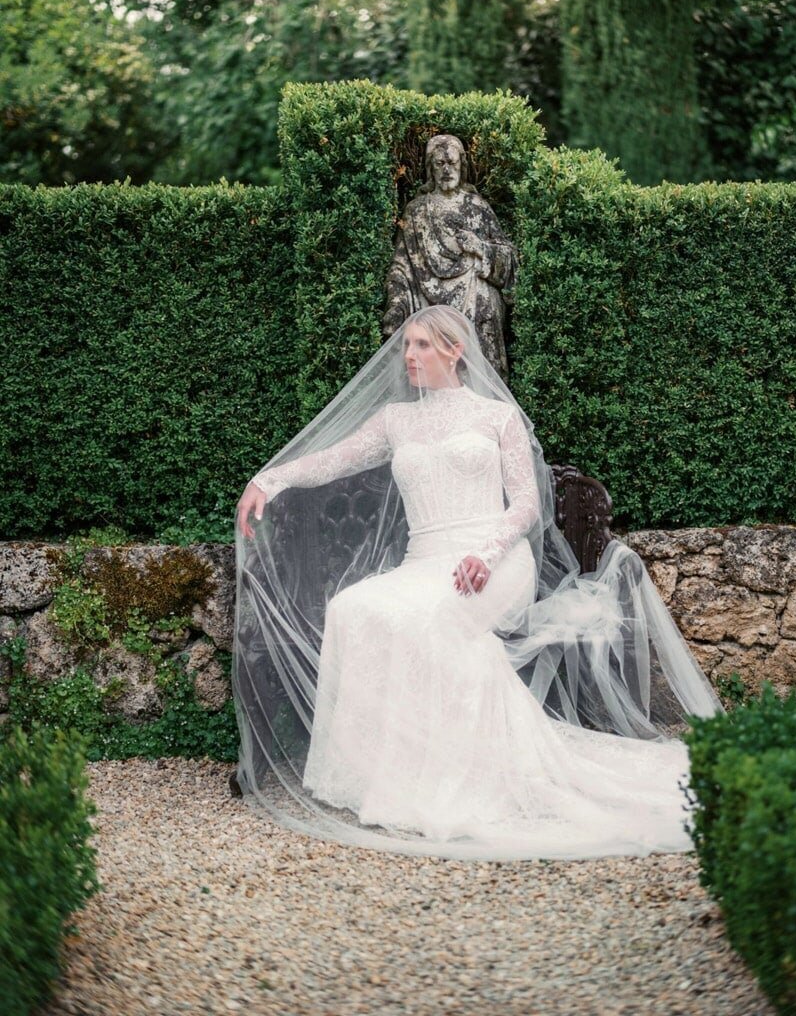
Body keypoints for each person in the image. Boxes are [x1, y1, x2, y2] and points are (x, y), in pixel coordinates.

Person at [234, 306, 723, 861]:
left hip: (495, 559)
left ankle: (475, 773)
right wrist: (266, 481)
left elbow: (526, 505)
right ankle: (389, 775)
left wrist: (486, 553)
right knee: (354, 607)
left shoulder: (496, 417)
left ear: (454, 351)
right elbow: (332, 460)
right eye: (407, 346)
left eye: (421, 345)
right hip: (426, 561)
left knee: (433, 617)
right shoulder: (397, 421)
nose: (409, 356)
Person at [382, 134, 517, 379]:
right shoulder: (417, 210)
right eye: (439, 164)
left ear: (462, 166)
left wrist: (481, 247)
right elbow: (402, 263)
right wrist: (397, 302)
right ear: (430, 168)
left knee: (484, 301)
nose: (446, 170)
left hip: (473, 296)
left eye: (452, 163)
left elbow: (509, 259)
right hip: (427, 297)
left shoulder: (477, 207)